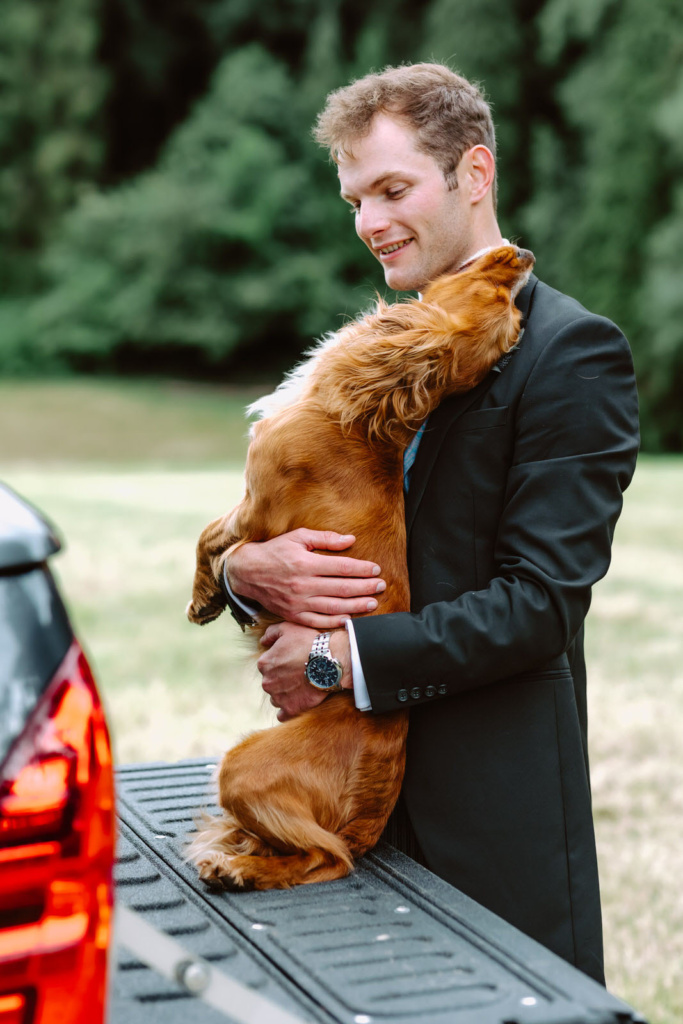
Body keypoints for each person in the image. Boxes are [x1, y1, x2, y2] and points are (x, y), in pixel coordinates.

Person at [221, 63, 640, 984]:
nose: (369, 222)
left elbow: (538, 607)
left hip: (487, 826)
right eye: (354, 199)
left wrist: (335, 659)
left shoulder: (573, 353)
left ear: (474, 174)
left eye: (392, 189)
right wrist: (240, 574)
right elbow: (286, 525)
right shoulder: (377, 351)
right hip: (340, 806)